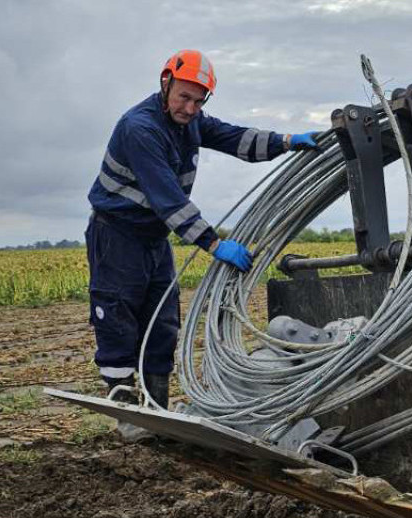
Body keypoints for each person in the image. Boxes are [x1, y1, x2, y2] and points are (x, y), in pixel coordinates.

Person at [86, 49, 319, 425]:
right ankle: (128, 417)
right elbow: (168, 200)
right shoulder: (140, 129)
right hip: (117, 235)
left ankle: (156, 413)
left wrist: (288, 140)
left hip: (153, 238)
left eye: (199, 100)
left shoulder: (190, 122)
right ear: (166, 83)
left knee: (163, 323)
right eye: (184, 97)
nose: (191, 108)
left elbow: (236, 139)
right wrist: (214, 244)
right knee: (118, 319)